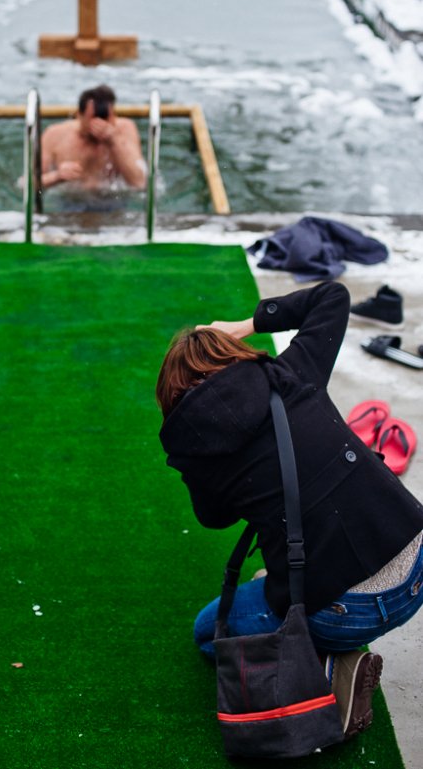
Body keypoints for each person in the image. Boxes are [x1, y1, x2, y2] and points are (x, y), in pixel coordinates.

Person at [156, 281, 423, 739]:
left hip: (348, 610)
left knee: (207, 631)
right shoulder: (292, 373)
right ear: (231, 354)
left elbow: (214, 517)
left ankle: (327, 668)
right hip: (416, 566)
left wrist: (196, 460)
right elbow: (332, 297)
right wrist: (248, 323)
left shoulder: (192, 447)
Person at [40, 85, 146, 190]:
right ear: (79, 116)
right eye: (94, 118)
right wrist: (57, 176)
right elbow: (27, 184)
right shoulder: (55, 134)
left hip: (114, 200)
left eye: (105, 118)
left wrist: (114, 142)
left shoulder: (124, 130)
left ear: (114, 115)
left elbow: (140, 183)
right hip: (70, 201)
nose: (100, 124)